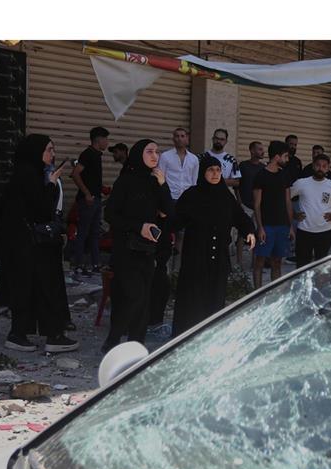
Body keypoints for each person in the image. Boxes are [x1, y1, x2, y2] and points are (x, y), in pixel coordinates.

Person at [0, 134, 76, 353]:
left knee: (30, 289)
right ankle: (48, 335)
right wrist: (50, 186)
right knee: (44, 288)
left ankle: (23, 333)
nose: (53, 154)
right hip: (31, 245)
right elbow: (41, 210)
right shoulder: (29, 176)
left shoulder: (26, 173)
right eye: (49, 150)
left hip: (27, 245)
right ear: (36, 152)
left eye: (53, 149)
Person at [170, 155, 256, 337]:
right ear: (203, 172)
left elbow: (240, 217)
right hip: (196, 257)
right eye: (211, 170)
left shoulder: (226, 196)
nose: (215, 174)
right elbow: (175, 221)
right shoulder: (192, 195)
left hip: (219, 258)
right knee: (193, 298)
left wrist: (249, 231)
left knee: (215, 297)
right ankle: (186, 336)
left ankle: (209, 336)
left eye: (218, 170)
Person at [102, 139, 173, 353]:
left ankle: (136, 343)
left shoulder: (154, 182)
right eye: (149, 151)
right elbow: (110, 215)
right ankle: (113, 340)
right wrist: (138, 226)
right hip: (125, 250)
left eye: (157, 152)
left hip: (148, 250)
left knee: (144, 299)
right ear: (138, 154)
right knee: (132, 295)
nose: (155, 155)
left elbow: (169, 211)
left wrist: (163, 185)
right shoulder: (125, 182)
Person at [152, 127, 198, 331]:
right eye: (177, 136)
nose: (180, 139)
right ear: (173, 139)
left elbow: (195, 182)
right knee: (167, 239)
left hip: (187, 201)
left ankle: (178, 275)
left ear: (187, 138)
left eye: (183, 136)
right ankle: (166, 276)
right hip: (169, 200)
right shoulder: (166, 157)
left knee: (184, 238)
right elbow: (159, 177)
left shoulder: (194, 159)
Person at [67, 126, 109, 279]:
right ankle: (78, 264)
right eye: (106, 139)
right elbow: (75, 174)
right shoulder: (88, 154)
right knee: (83, 233)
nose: (107, 142)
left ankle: (95, 264)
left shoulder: (97, 155)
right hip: (88, 201)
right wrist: (87, 194)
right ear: (99, 139)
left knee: (94, 233)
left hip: (96, 199)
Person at [252, 140, 294, 287]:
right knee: (260, 261)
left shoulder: (285, 175)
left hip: (282, 225)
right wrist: (260, 227)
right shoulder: (261, 175)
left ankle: (275, 294)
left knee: (277, 262)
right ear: (277, 157)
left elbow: (288, 202)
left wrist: (290, 226)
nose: (287, 159)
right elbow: (256, 204)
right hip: (267, 226)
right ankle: (256, 295)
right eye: (285, 156)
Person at [290, 153, 331, 265]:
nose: (320, 168)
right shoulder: (301, 183)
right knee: (302, 266)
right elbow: (285, 199)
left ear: (328, 168)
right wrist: (293, 214)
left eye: (324, 166)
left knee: (321, 267)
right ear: (313, 166)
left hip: (324, 233)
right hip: (304, 232)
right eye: (318, 165)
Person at [238, 140, 266, 212]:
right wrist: (240, 203)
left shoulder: (264, 167)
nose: (263, 152)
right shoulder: (243, 165)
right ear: (252, 151)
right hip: (245, 206)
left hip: (260, 207)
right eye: (260, 149)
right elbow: (237, 185)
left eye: (262, 149)